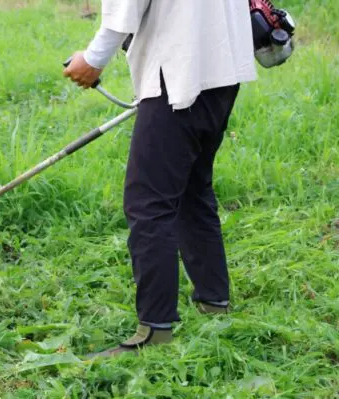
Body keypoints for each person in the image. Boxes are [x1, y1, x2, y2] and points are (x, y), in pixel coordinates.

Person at [63, 0, 257, 357]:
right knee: (191, 189)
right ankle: (215, 303)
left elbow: (126, 8)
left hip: (179, 71)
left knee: (148, 202)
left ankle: (154, 332)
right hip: (222, 64)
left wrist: (92, 59)